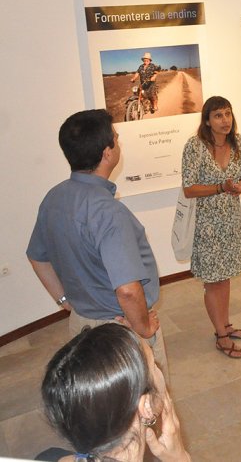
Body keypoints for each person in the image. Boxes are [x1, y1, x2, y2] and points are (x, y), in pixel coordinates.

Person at [26, 109, 168, 378]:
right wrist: (143, 329)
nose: (119, 142)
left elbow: (37, 257)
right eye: (116, 137)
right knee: (150, 410)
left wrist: (65, 300)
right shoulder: (108, 212)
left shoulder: (53, 198)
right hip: (120, 331)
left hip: (80, 326)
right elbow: (127, 290)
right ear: (107, 153)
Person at [38, 324, 190, 462]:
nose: (159, 370)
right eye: (154, 364)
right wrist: (181, 459)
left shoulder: (48, 457)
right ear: (146, 407)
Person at [181, 96, 241, 358]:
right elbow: (189, 189)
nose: (225, 121)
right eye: (218, 116)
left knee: (226, 278)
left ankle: (226, 324)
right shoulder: (195, 146)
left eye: (228, 114)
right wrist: (221, 187)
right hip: (206, 224)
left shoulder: (238, 142)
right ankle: (221, 335)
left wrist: (239, 186)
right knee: (213, 281)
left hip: (231, 220)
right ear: (207, 120)